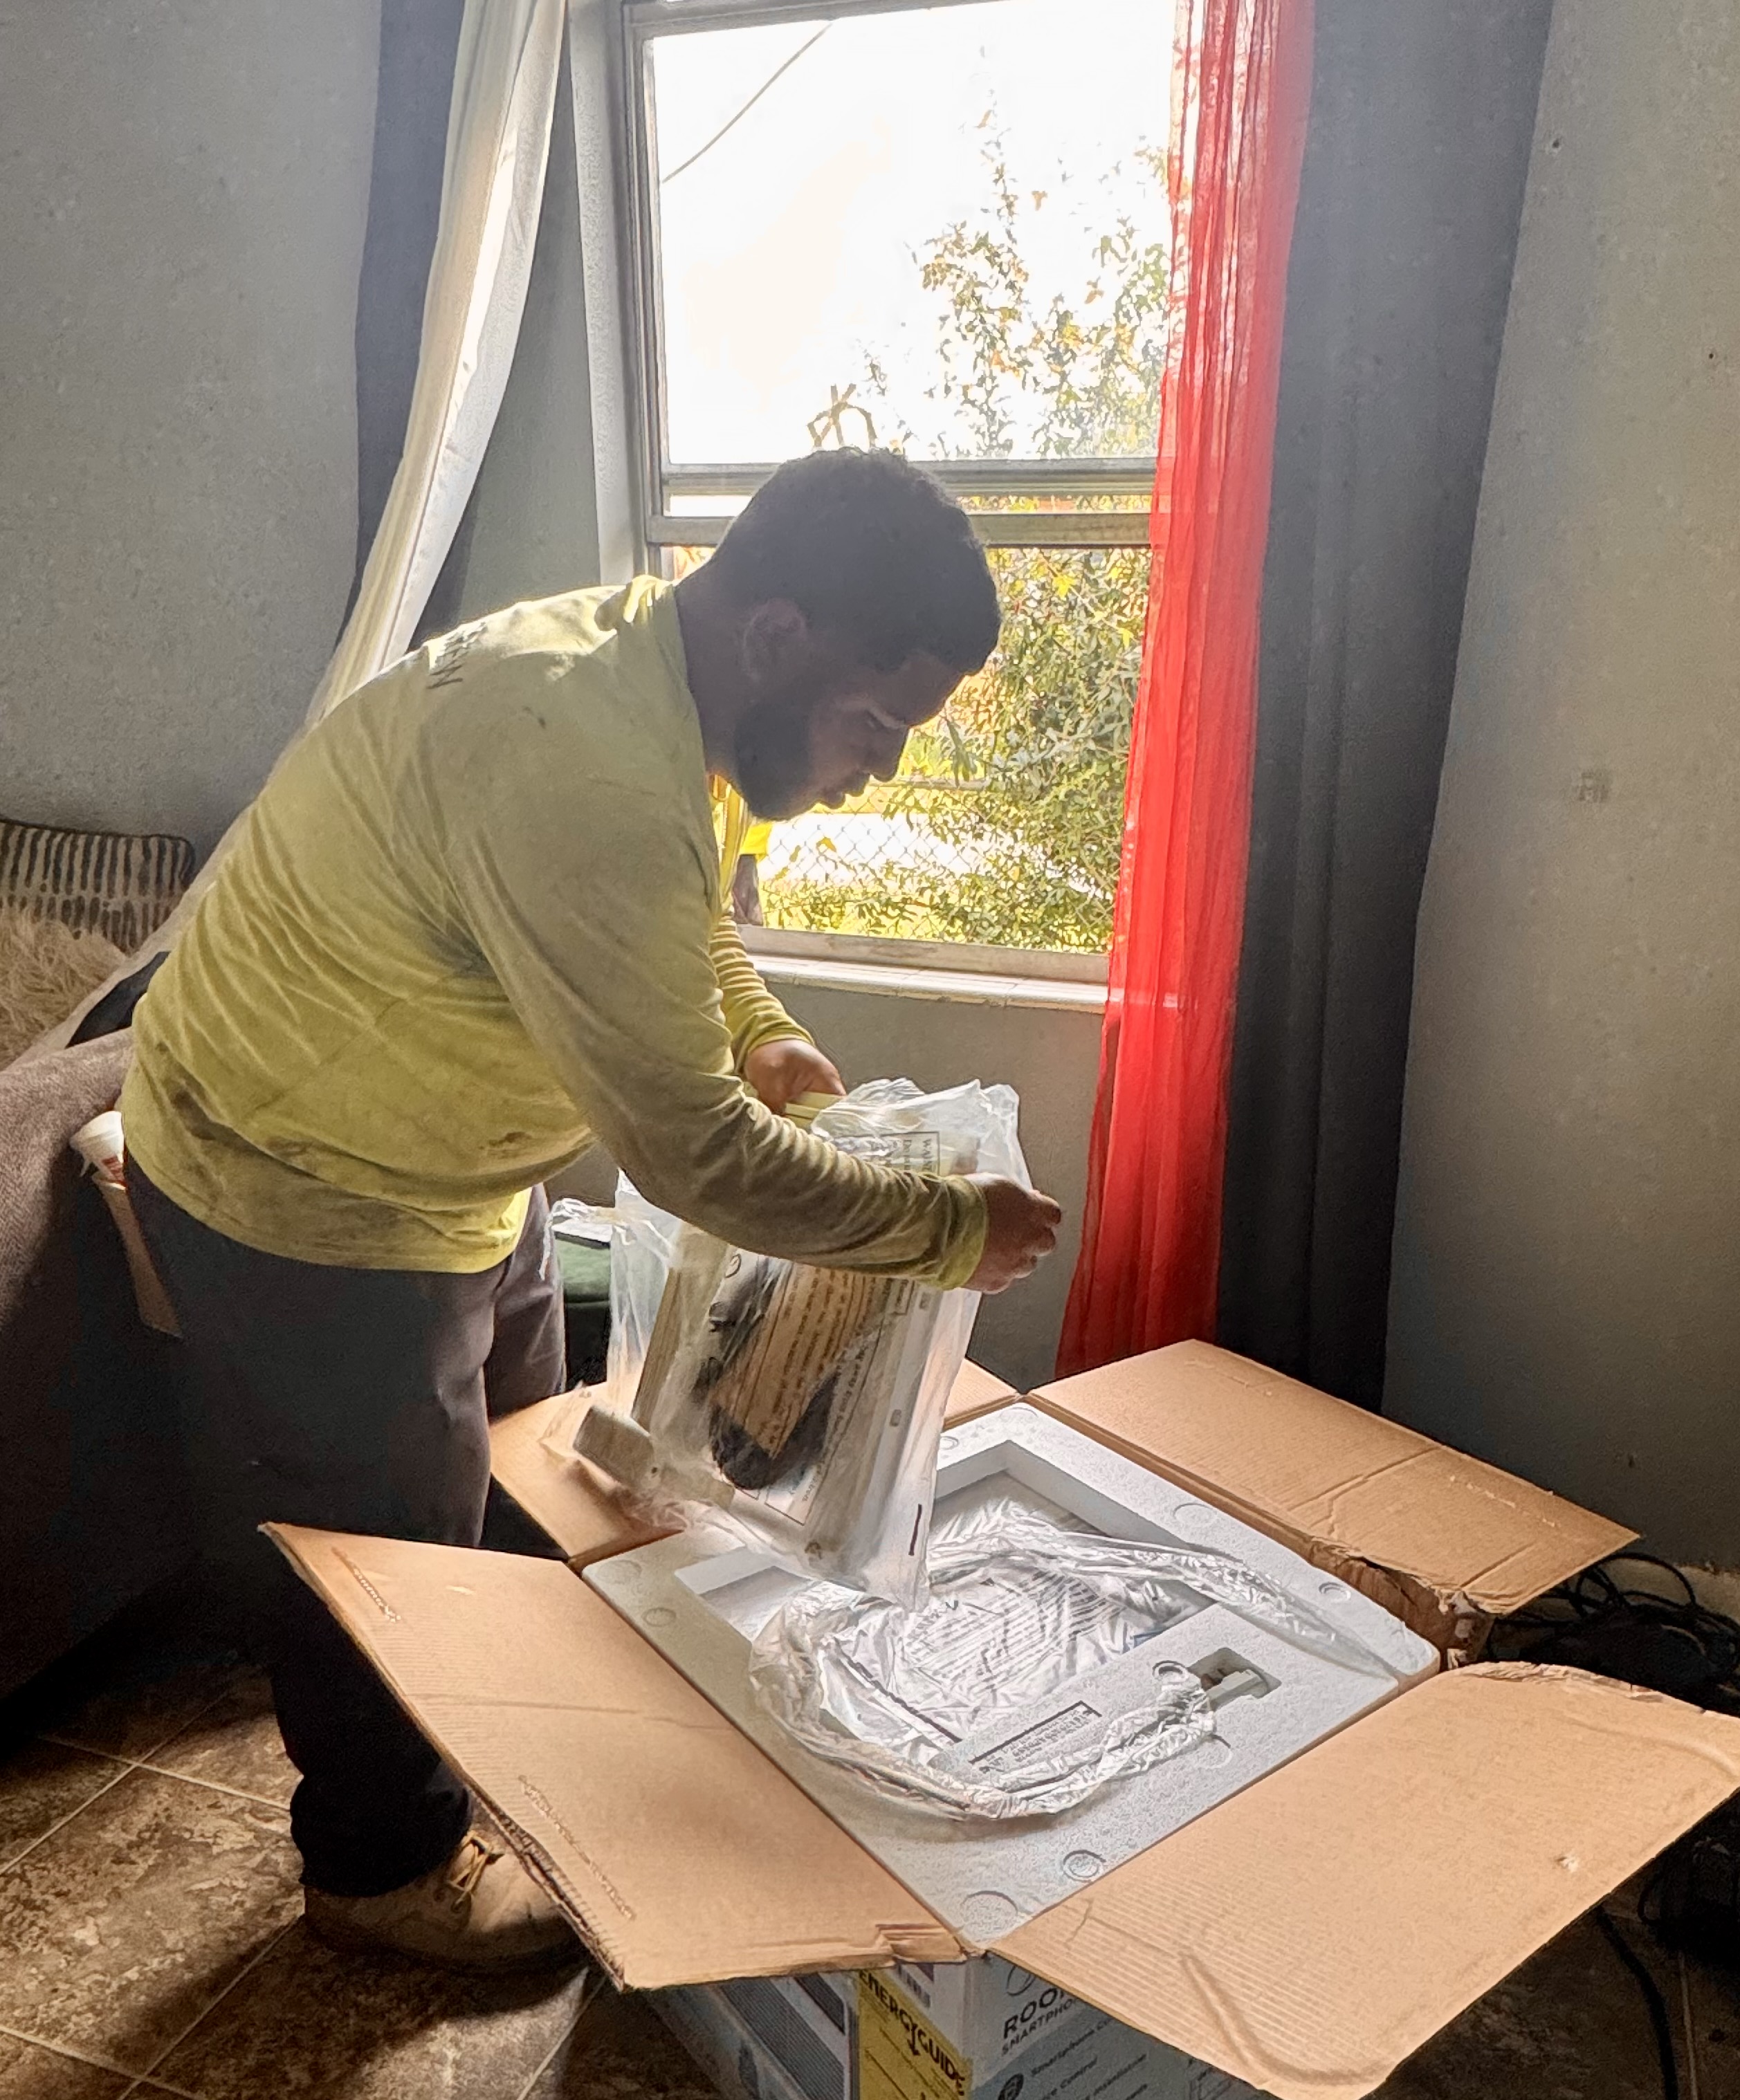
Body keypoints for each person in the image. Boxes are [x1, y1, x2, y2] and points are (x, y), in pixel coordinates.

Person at [120, 449, 1062, 1972]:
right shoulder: (583, 767)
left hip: (447, 1160)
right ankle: (377, 1870)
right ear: (776, 639)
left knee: (518, 1473)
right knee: (389, 1548)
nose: (877, 771)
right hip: (298, 1181)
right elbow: (698, 1160)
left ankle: (496, 1740)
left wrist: (756, 1021)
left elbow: (683, 911)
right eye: (872, 724)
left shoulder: (654, 670)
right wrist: (950, 1231)